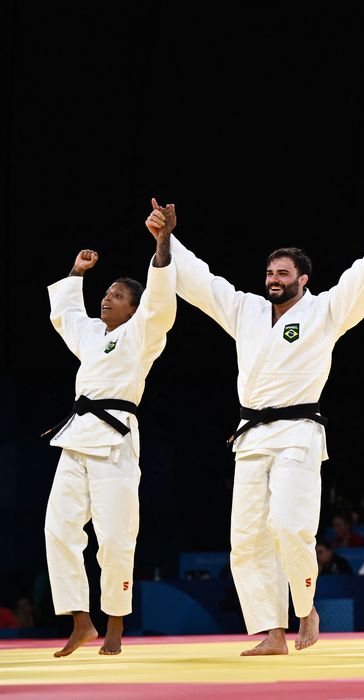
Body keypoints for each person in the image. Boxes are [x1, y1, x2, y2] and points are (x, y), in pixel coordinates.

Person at [169, 191, 364, 655]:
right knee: (245, 539)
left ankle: (306, 608)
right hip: (252, 437)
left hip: (297, 432)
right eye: (269, 273)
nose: (273, 279)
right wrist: (166, 240)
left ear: (303, 279)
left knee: (289, 526)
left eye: (282, 273)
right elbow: (201, 283)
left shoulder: (323, 311)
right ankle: (272, 632)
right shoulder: (246, 311)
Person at [43, 201, 177, 657]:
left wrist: (161, 242)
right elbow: (65, 316)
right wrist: (77, 274)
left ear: (135, 309)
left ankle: (115, 623)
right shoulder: (93, 336)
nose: (108, 297)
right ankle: (82, 621)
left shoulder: (142, 334)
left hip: (116, 438)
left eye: (118, 295)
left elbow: (160, 302)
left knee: (116, 535)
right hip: (77, 436)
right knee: (58, 528)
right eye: (108, 292)